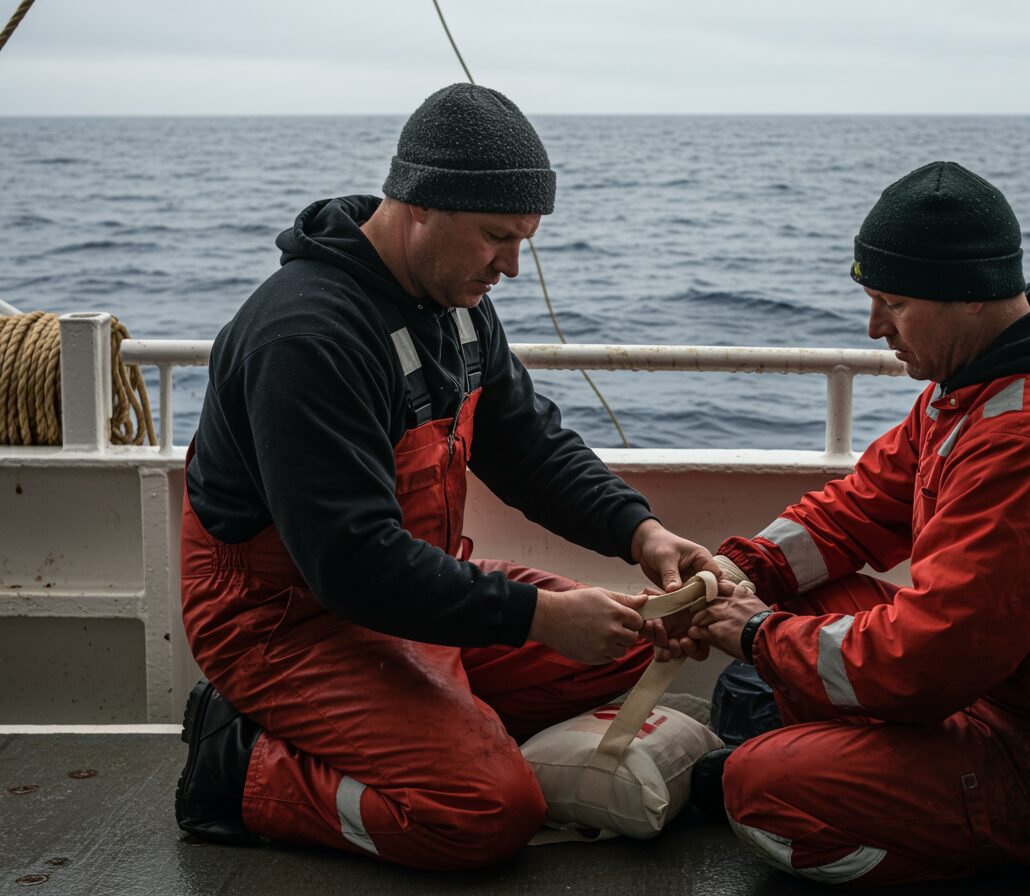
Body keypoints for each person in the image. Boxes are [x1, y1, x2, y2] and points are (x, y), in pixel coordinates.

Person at [175, 83, 715, 870]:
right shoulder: (306, 336)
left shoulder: (454, 302)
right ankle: (241, 764)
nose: (513, 267)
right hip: (285, 623)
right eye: (498, 236)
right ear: (418, 206)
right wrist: (535, 618)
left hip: (408, 591)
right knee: (485, 813)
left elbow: (528, 443)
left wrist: (642, 532)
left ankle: (430, 723)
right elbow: (351, 562)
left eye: (524, 239)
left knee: (632, 641)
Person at [675, 161, 1030, 887]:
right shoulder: (973, 389)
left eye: (893, 303)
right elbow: (857, 510)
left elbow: (928, 662)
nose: (873, 326)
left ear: (971, 299)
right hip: (999, 696)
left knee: (757, 791)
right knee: (781, 631)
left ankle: (943, 840)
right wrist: (738, 575)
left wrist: (756, 635)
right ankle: (864, 766)